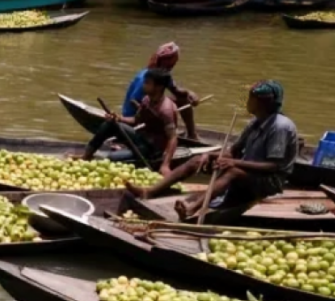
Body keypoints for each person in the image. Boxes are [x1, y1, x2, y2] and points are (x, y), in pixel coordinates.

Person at [126, 80, 298, 220]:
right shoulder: (255, 122)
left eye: (251, 98)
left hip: (269, 182)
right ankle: (150, 191)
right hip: (247, 170)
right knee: (198, 159)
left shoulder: (280, 127)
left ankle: (191, 209)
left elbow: (273, 166)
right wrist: (211, 156)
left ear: (264, 103)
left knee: (233, 171)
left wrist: (233, 162)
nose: (248, 102)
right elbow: (234, 151)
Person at [80, 68, 180, 175]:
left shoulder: (166, 110)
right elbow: (136, 120)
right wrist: (118, 118)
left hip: (152, 150)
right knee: (109, 124)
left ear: (159, 87)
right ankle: (86, 157)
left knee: (111, 158)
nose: (143, 85)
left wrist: (165, 165)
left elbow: (173, 138)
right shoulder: (147, 100)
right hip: (141, 138)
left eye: (147, 83)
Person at [122, 42, 200, 140]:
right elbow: (133, 100)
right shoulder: (146, 77)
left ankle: (192, 134)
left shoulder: (164, 75)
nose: (174, 63)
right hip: (135, 116)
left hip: (150, 108)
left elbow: (177, 91)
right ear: (163, 60)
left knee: (183, 99)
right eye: (172, 60)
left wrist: (190, 93)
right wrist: (151, 113)